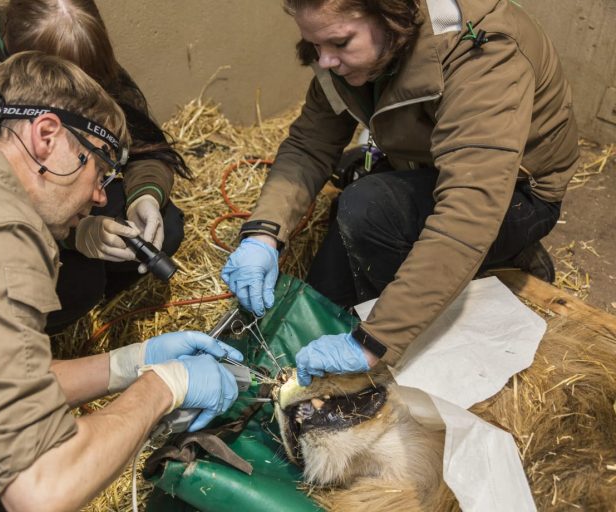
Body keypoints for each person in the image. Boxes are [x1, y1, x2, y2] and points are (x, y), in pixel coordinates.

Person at [0, 51, 242, 512]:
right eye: (101, 170)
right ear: (47, 136)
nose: (100, 196)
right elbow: (42, 488)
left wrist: (131, 361)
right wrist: (162, 387)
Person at [221, 0, 578, 385]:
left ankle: (503, 257)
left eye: (340, 43)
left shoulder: (483, 52)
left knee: (366, 207)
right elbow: (310, 144)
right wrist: (263, 235)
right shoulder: (355, 51)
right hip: (429, 166)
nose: (325, 61)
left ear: (391, 17)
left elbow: (468, 212)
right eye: (314, 46)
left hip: (517, 193)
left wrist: (375, 342)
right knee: (353, 195)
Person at [0, 0, 191, 334]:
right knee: (77, 285)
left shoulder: (75, 50)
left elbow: (143, 143)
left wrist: (145, 195)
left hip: (62, 186)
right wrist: (77, 236)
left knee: (163, 228)